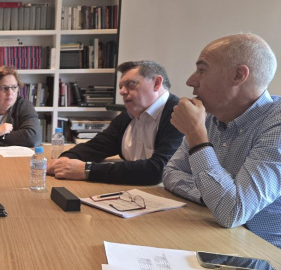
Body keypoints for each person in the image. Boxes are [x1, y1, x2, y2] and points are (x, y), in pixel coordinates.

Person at [163, 33, 281, 248]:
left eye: (202, 70)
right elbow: (170, 173)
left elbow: (231, 212)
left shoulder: (277, 123)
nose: (191, 81)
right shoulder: (210, 117)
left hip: (265, 257)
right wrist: (212, 196)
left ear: (238, 75)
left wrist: (197, 136)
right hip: (217, 238)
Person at [48, 60, 183, 185]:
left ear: (156, 83)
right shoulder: (128, 116)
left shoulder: (179, 114)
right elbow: (96, 147)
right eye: (121, 87)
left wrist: (88, 170)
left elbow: (159, 170)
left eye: (131, 84)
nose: (122, 91)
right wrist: (66, 159)